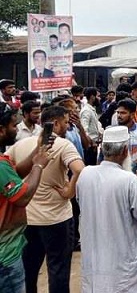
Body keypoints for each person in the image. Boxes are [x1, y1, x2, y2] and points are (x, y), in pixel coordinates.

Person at [6, 105, 85, 293]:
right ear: (56, 123)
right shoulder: (63, 145)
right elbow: (80, 169)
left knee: (29, 269)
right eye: (66, 122)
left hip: (28, 219)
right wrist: (69, 191)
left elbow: (8, 169)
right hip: (57, 219)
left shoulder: (21, 144)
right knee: (58, 269)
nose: (67, 126)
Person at [76, 126, 137, 292]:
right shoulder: (129, 180)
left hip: (95, 260)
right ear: (125, 151)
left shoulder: (85, 174)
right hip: (122, 263)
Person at [0, 103, 51, 293]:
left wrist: (36, 151)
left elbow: (14, 175)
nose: (16, 129)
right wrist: (38, 166)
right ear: (1, 129)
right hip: (6, 256)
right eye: (13, 126)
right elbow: (22, 197)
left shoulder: (4, 165)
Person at [107, 98, 137, 173]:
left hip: (133, 170)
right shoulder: (110, 130)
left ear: (132, 114)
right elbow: (102, 155)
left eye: (123, 113)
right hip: (114, 171)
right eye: (118, 112)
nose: (119, 116)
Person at [80, 87, 101, 166]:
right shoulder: (86, 111)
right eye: (98, 96)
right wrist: (91, 142)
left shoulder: (91, 109)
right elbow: (84, 130)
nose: (99, 98)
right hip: (89, 147)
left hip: (93, 146)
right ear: (92, 97)